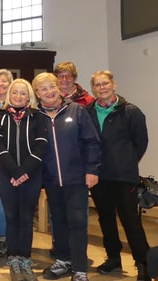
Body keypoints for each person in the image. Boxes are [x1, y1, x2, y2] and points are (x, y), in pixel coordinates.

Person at [33, 72, 100, 281]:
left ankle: (80, 269)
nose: (49, 92)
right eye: (43, 89)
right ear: (37, 94)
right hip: (51, 180)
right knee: (59, 221)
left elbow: (92, 142)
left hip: (77, 179)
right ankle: (63, 260)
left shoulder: (77, 110)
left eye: (51, 87)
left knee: (78, 221)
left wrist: (92, 170)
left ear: (57, 88)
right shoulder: (36, 117)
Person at [86, 70, 151, 281]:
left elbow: (141, 143)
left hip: (124, 177)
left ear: (114, 84)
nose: (101, 87)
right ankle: (113, 258)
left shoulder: (131, 112)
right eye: (97, 84)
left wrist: (127, 161)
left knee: (130, 221)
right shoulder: (88, 112)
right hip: (99, 176)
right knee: (105, 219)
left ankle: (144, 263)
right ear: (93, 88)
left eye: (105, 83)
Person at [0, 78, 47, 281]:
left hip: (31, 176)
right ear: (9, 94)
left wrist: (24, 172)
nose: (18, 96)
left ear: (29, 96)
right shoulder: (0, 116)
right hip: (7, 175)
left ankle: (25, 258)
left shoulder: (37, 116)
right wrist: (15, 172)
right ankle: (13, 259)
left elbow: (41, 146)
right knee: (11, 217)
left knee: (26, 218)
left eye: (23, 93)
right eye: (14, 92)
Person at [0, 68, 14, 258]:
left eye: (4, 81)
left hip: (13, 160)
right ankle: (0, 238)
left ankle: (8, 239)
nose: (1, 85)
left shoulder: (17, 104)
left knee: (7, 203)